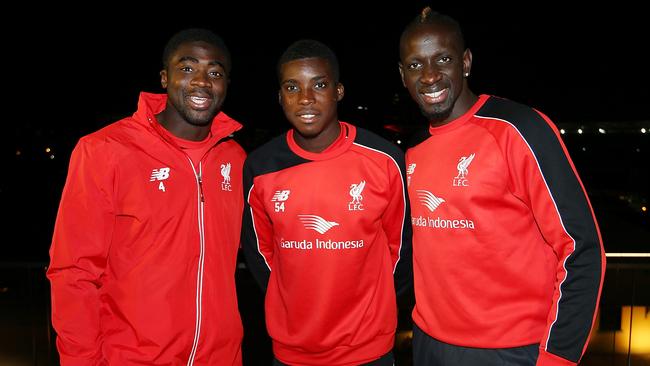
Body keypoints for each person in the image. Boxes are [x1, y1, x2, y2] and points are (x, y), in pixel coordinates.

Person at [399, 7, 606, 366]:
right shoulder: (414, 148)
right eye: (416, 65)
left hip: (510, 351)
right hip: (429, 345)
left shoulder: (519, 128)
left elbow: (582, 248)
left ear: (465, 62)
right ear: (402, 76)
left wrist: (558, 355)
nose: (430, 76)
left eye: (443, 59)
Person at [46, 28, 246, 365]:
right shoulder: (105, 150)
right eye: (187, 68)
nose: (201, 81)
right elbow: (73, 273)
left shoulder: (235, 160)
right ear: (164, 78)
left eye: (215, 72)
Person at [241, 39, 412, 366]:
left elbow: (401, 249)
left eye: (319, 85)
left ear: (339, 91)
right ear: (280, 97)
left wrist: (371, 309)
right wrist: (290, 303)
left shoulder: (385, 160)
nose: (306, 98)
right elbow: (259, 252)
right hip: (292, 351)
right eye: (292, 87)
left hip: (368, 349)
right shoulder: (261, 166)